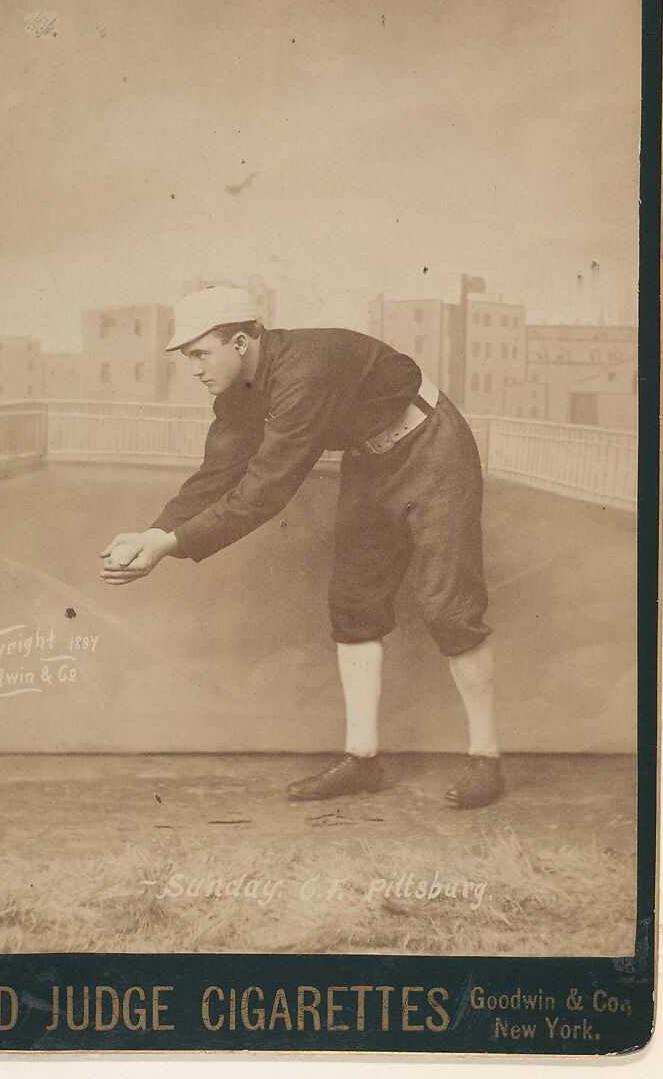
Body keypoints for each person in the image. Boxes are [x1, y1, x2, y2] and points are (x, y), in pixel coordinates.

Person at [100, 285, 504, 809]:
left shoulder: (304, 371)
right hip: (370, 458)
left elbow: (264, 492)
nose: (194, 368)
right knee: (354, 603)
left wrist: (172, 544)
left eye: (200, 353)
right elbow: (218, 474)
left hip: (431, 446)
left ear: (241, 341)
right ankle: (362, 760)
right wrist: (156, 532)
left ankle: (487, 759)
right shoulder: (237, 393)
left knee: (448, 605)